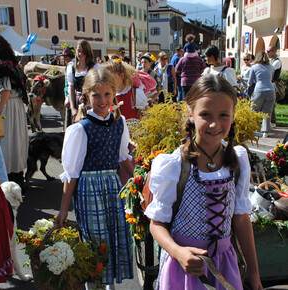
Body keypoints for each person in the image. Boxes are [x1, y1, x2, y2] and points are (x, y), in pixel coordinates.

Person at [145, 74, 262, 290]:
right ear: (190, 114)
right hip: (184, 268)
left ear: (234, 115)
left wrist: (254, 274)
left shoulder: (237, 162)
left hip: (225, 265)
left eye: (224, 115)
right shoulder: (174, 165)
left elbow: (242, 220)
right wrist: (178, 252)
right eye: (205, 114)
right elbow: (157, 223)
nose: (215, 124)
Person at [56, 68, 134, 289]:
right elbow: (71, 174)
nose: (102, 100)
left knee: (114, 237)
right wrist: (63, 209)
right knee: (95, 244)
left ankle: (109, 287)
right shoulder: (80, 129)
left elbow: (122, 159)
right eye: (96, 95)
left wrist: (140, 180)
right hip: (89, 191)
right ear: (87, 96)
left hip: (112, 187)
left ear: (114, 94)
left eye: (107, 94)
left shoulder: (120, 123)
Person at [0, 35, 28, 190]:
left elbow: (5, 90)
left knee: (7, 144)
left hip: (8, 108)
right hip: (16, 106)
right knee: (17, 143)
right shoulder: (13, 64)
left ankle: (10, 179)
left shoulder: (2, 66)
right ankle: (18, 177)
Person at [67, 39, 99, 120]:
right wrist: (72, 108)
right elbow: (71, 88)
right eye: (78, 51)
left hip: (91, 102)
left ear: (87, 52)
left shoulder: (94, 67)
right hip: (78, 101)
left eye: (83, 51)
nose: (80, 54)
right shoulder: (71, 68)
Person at [248, 51, 275, 138]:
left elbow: (250, 82)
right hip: (271, 90)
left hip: (259, 90)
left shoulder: (254, 67)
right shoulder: (271, 67)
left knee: (254, 110)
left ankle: (254, 129)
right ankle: (265, 132)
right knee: (267, 112)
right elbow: (271, 78)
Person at [60, 43, 76, 127]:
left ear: (67, 57)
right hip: (78, 96)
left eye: (64, 57)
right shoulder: (78, 64)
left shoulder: (70, 66)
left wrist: (67, 97)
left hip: (72, 96)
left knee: (70, 120)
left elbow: (68, 84)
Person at [267, 45, 282, 127]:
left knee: (271, 103)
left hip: (273, 84)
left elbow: (269, 70)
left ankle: (273, 122)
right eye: (267, 51)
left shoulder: (277, 61)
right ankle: (271, 121)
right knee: (270, 103)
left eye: (269, 51)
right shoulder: (270, 60)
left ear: (274, 52)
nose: (267, 53)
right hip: (269, 84)